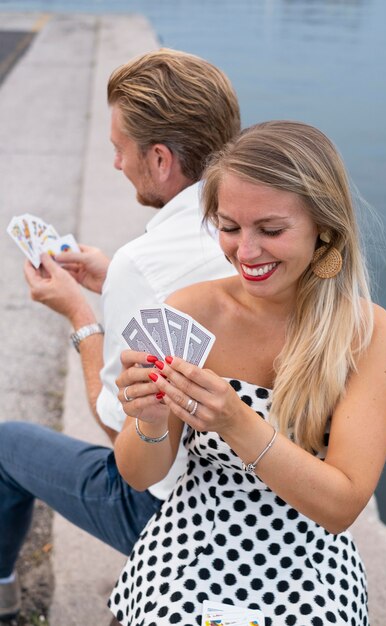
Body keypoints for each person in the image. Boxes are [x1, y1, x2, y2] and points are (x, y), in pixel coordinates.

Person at [108, 121, 386, 626]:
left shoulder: (371, 334)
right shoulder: (189, 311)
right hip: (189, 543)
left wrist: (236, 422)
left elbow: (339, 508)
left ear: (325, 230)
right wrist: (150, 420)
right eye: (229, 227)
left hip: (311, 558)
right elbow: (139, 475)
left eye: (270, 230)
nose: (245, 253)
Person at [0, 48, 240, 621]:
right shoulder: (251, 235)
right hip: (264, 497)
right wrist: (112, 279)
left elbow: (121, 433)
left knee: (6, 443)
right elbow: (205, 311)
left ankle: (4, 593)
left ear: (159, 159)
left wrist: (80, 317)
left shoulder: (148, 261)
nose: (115, 165)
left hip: (177, 517)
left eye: (119, 149)